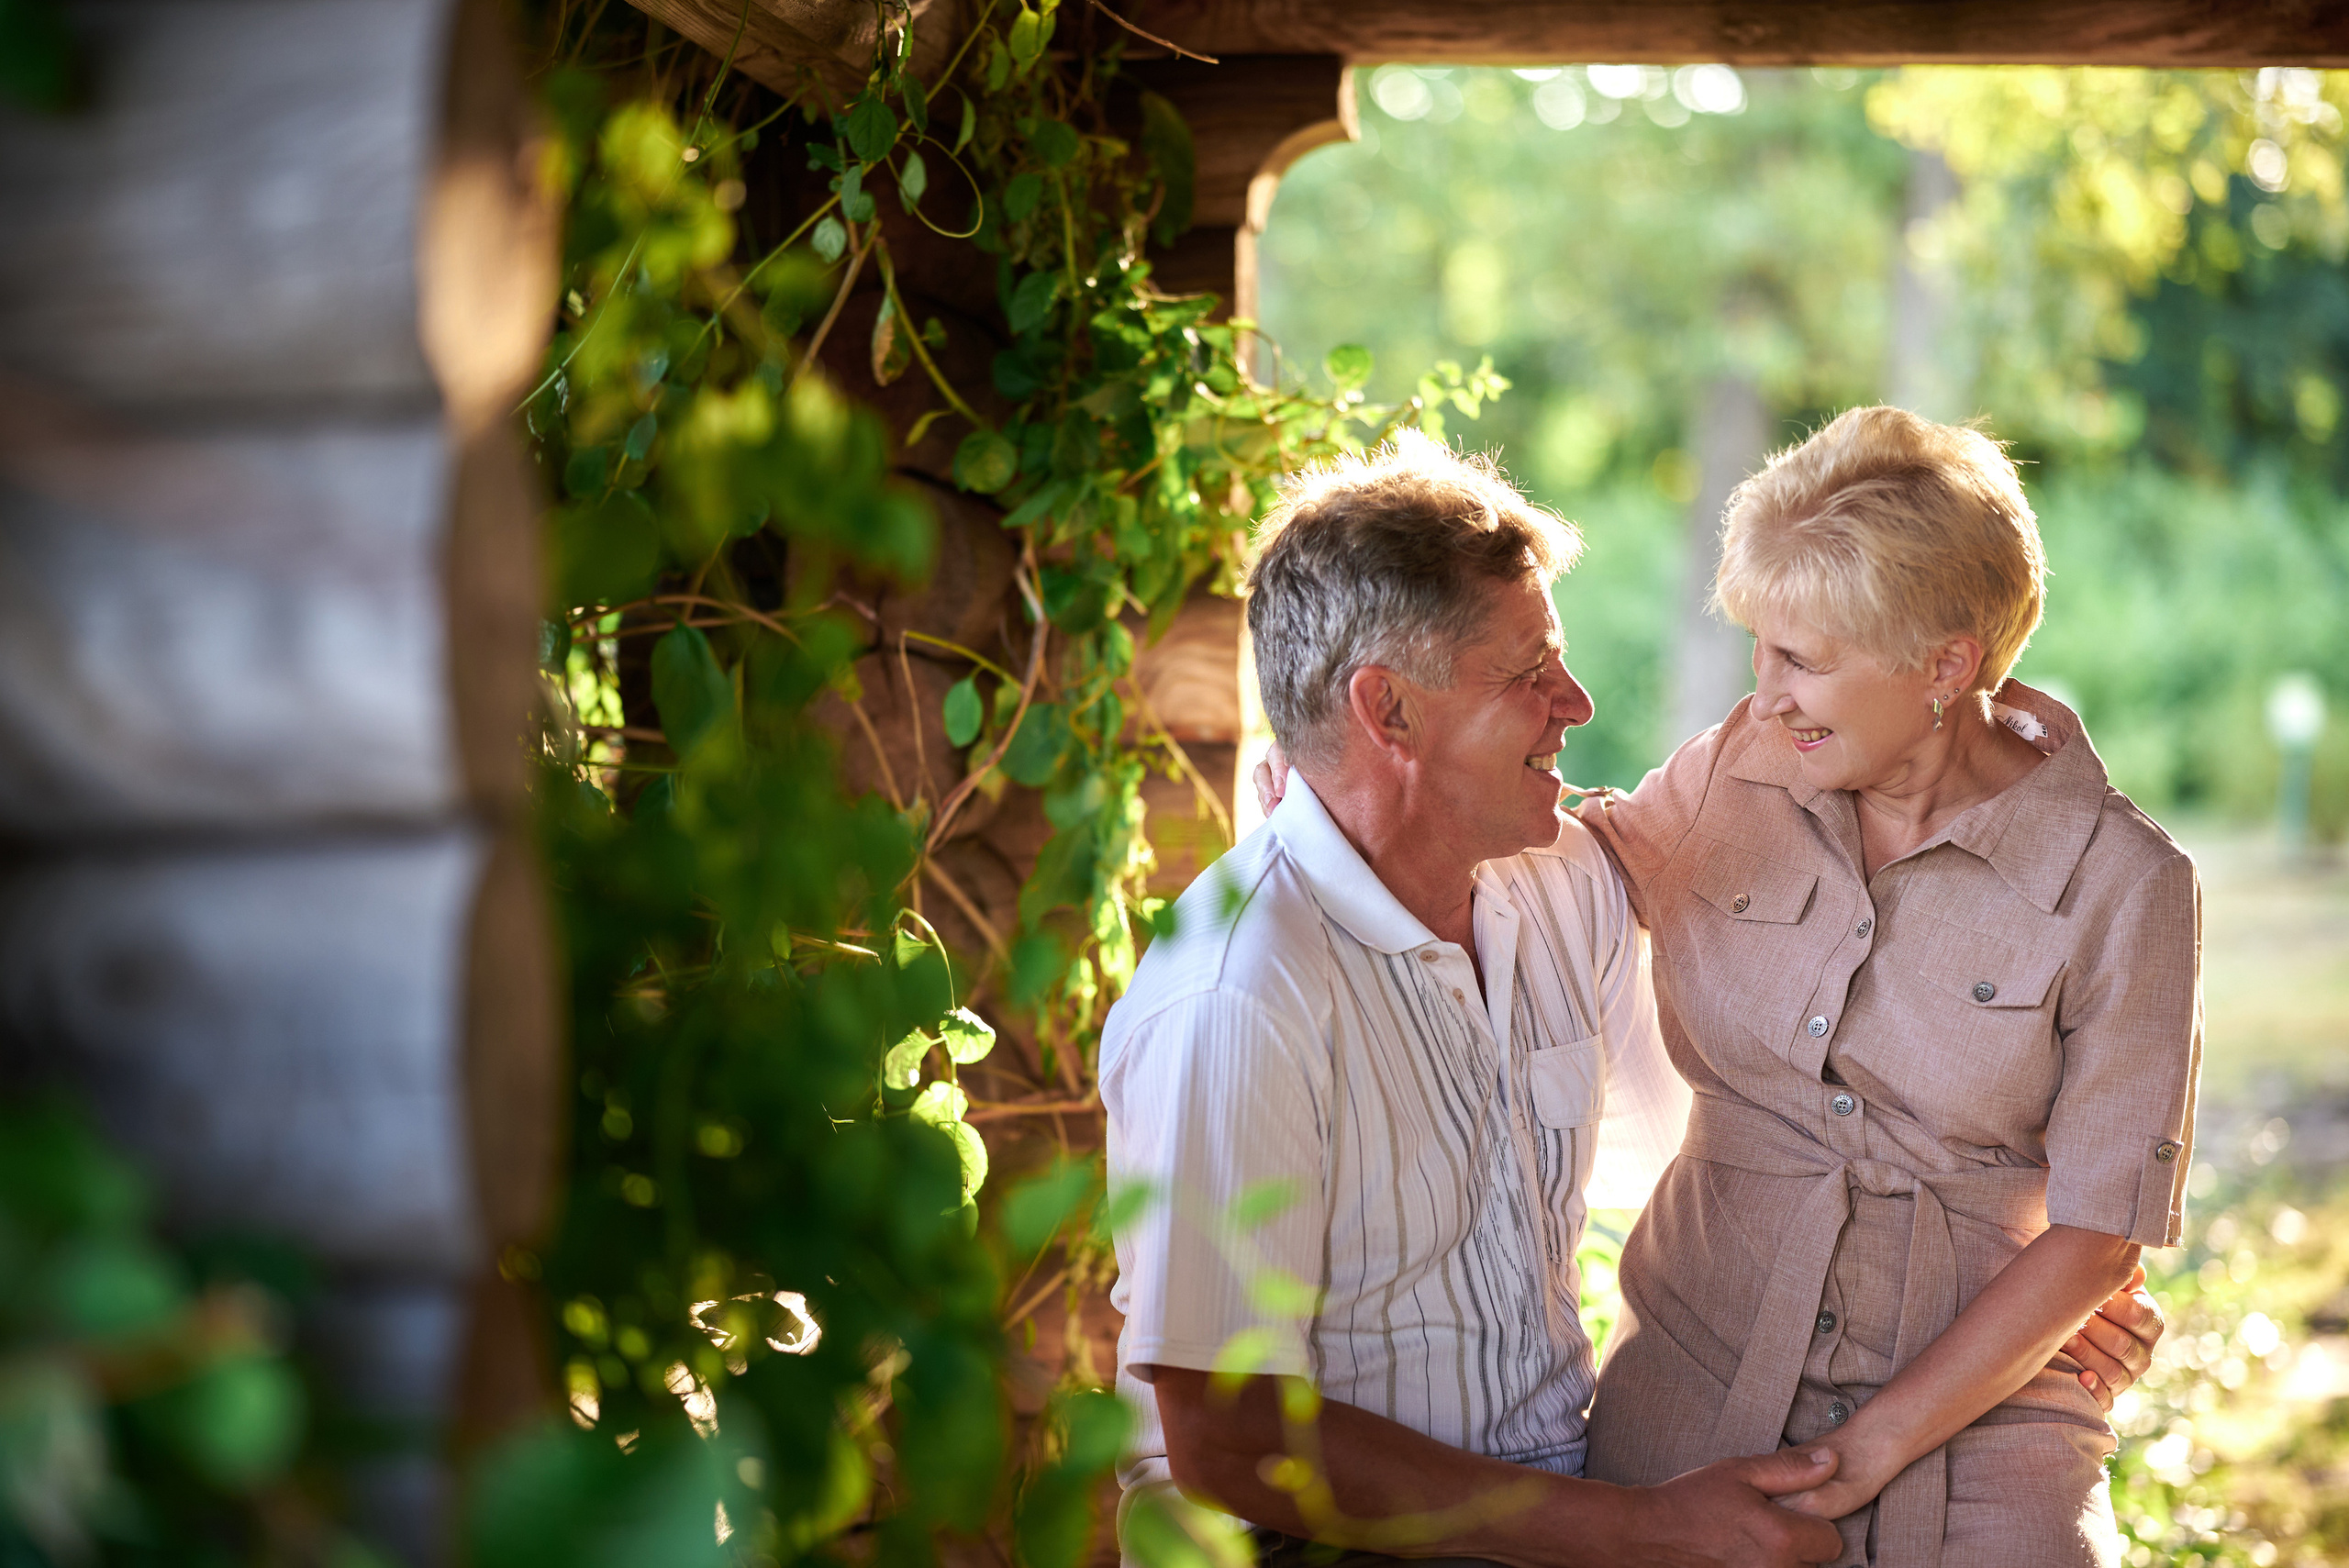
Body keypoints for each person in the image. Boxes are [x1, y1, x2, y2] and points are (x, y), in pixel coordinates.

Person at [1108, 431, 2160, 1568]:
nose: (1578, 698)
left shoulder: (1557, 883)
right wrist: (1644, 1529)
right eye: (1527, 676)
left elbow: (1719, 1111)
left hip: (1556, 1489)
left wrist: (2018, 1282)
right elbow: (1225, 1439)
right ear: (1389, 714)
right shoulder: (1236, 995)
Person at [1562, 406, 2200, 1567]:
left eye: (1802, 659)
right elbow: (1556, 869)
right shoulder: (1739, 768)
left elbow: (2100, 1233)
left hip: (1983, 1413)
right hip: (1690, 1375)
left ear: (1944, 666)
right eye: (1760, 646)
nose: (1764, 693)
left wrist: (1865, 1452)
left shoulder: (2123, 882)